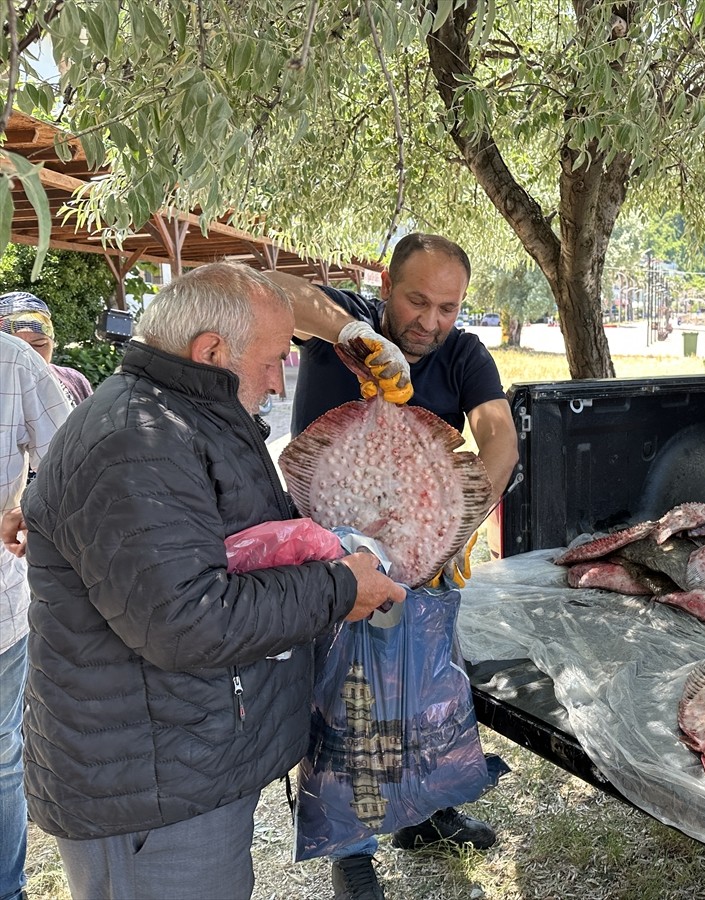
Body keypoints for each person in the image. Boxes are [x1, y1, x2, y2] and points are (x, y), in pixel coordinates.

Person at [12, 262, 404, 900]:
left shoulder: (187, 415)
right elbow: (190, 619)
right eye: (274, 359)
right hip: (151, 794)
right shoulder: (137, 440)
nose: (280, 381)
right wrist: (338, 589)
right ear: (212, 352)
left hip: (183, 763)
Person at [268, 232, 518, 900]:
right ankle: (349, 849)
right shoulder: (337, 325)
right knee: (345, 703)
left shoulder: (462, 353)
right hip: (335, 559)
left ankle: (430, 813)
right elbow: (266, 289)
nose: (430, 321)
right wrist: (350, 332)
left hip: (424, 553)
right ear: (385, 285)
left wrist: (461, 521)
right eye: (417, 301)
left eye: (447, 307)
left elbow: (498, 434)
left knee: (430, 689)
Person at [0, 332, 71, 900]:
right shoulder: (11, 359)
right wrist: (31, 508)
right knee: (1, 755)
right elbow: (71, 463)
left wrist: (30, 510)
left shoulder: (13, 358)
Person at [0, 291, 93, 406]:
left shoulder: (74, 381)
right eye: (15, 347)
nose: (29, 354)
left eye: (39, 345)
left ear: (52, 343)